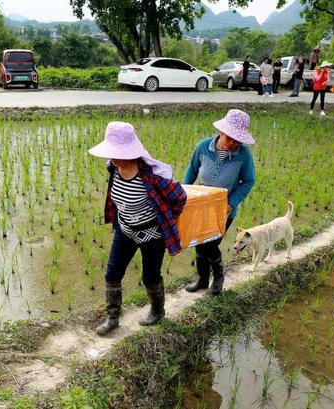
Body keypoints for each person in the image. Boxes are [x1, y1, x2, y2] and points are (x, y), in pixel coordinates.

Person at [89, 122, 187, 335]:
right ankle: (113, 317)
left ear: (130, 153)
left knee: (150, 276)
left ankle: (158, 311)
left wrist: (169, 219)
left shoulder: (151, 177)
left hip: (152, 234)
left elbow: (180, 197)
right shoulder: (113, 168)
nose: (111, 157)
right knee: (112, 273)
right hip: (125, 230)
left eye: (116, 153)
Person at [183, 109, 256, 295]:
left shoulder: (243, 155)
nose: (233, 143)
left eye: (237, 140)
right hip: (201, 206)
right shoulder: (203, 146)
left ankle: (218, 278)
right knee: (198, 243)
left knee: (210, 244)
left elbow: (249, 181)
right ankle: (202, 280)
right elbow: (192, 170)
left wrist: (231, 203)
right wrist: (183, 194)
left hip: (224, 210)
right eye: (230, 138)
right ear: (222, 131)